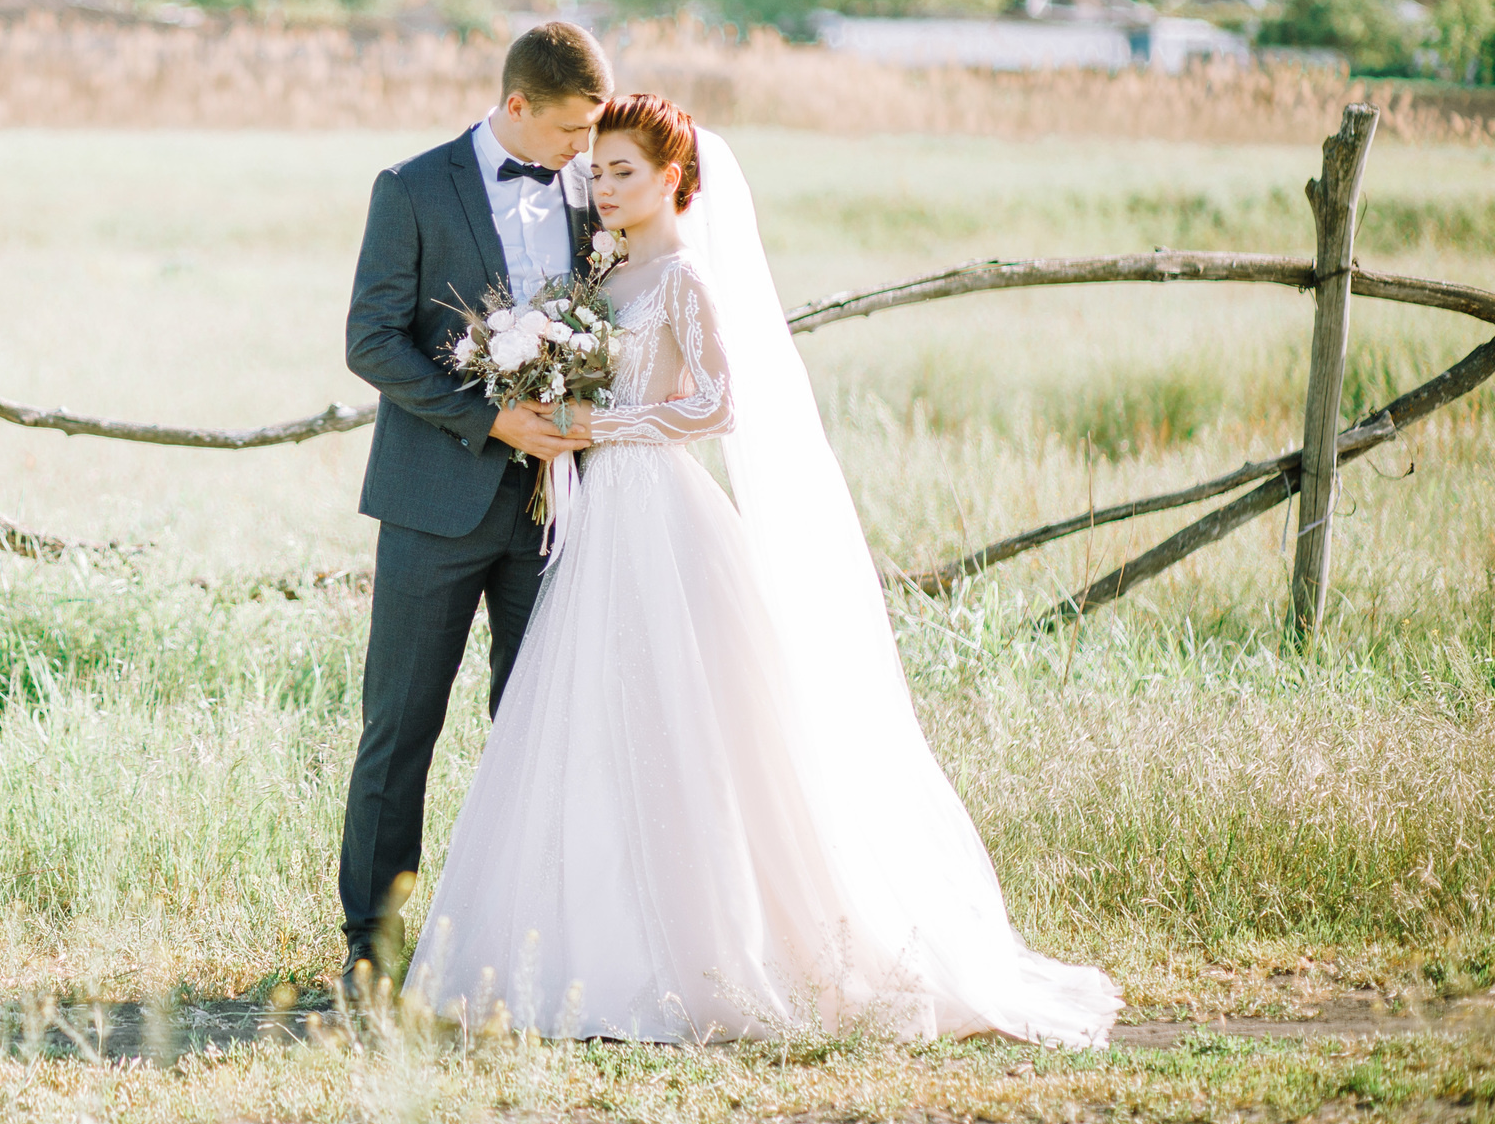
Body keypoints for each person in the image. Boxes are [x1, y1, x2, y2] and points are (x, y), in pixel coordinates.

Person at [402, 93, 1122, 1046]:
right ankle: (594, 938)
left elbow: (713, 407)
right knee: (603, 715)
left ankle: (718, 947)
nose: (605, 188)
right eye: (598, 172)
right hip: (602, 516)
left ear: (673, 177)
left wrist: (596, 425)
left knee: (693, 722)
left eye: (623, 171)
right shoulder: (606, 282)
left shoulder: (684, 278)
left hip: (660, 509)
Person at [336, 21, 611, 994]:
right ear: (517, 107)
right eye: (573, 131)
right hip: (430, 504)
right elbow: (370, 342)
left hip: (552, 510)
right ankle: (371, 944)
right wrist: (489, 420)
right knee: (398, 728)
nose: (584, 151)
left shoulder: (589, 194)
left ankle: (524, 938)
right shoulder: (409, 189)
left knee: (538, 724)